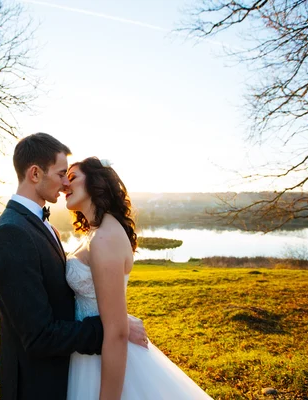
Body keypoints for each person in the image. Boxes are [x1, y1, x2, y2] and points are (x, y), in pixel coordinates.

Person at [0, 133, 148, 400]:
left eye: (70, 177)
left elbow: (62, 294)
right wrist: (111, 326)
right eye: (62, 174)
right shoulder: (11, 233)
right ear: (35, 173)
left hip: (74, 369)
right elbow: (37, 335)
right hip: (36, 384)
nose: (64, 184)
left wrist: (116, 320)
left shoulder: (42, 225)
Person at [64, 156, 213, 400]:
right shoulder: (96, 232)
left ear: (95, 182)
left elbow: (117, 333)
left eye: (72, 178)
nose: (64, 186)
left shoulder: (105, 237)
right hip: (88, 350)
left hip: (105, 357)